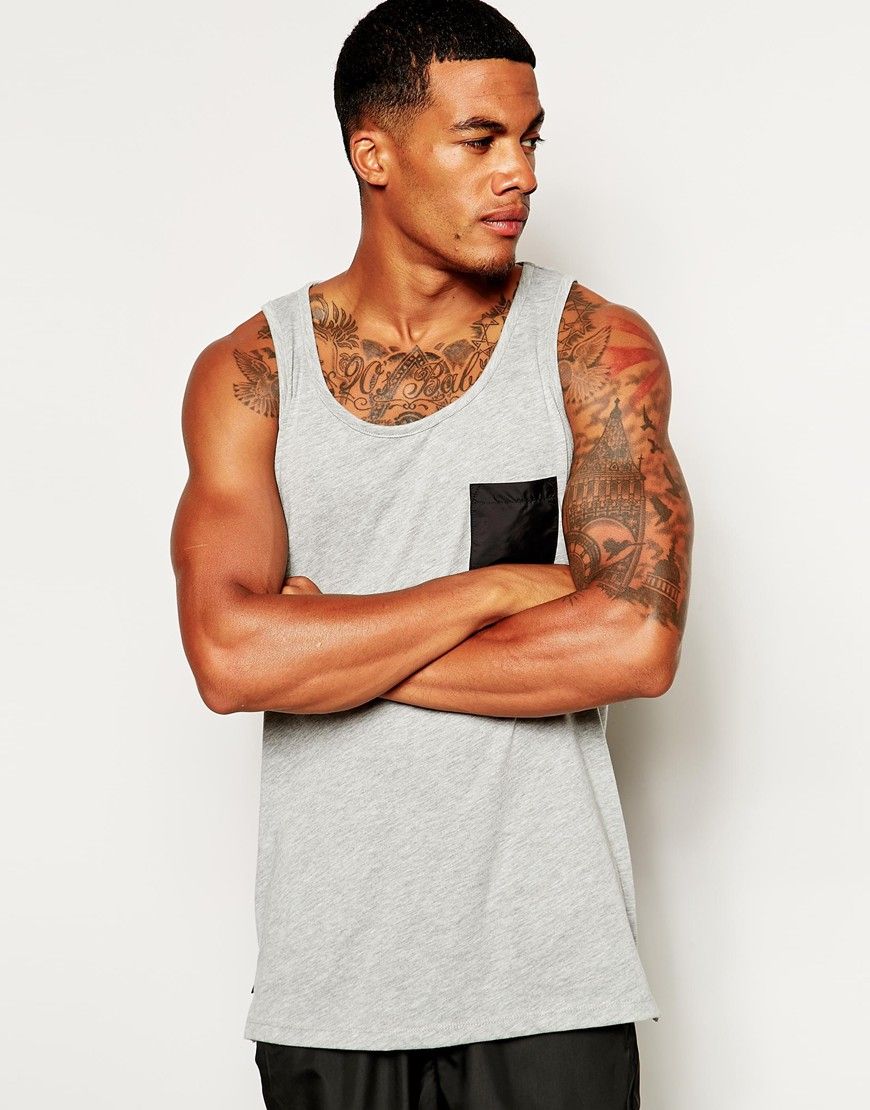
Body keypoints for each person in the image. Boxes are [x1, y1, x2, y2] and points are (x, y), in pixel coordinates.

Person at [170, 1, 694, 1106]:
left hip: (550, 982)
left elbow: (633, 645)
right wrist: (499, 589)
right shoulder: (252, 374)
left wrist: (320, 645)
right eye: (480, 139)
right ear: (375, 154)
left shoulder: (594, 347)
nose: (523, 175)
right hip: (329, 987)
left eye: (530, 139)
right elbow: (228, 658)